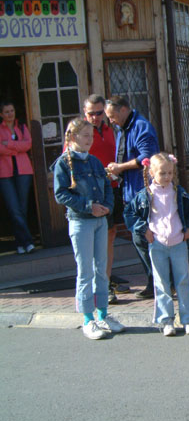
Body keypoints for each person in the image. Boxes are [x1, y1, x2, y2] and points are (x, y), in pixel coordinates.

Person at [53, 118, 125, 340]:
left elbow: (106, 186)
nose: (89, 140)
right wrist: (88, 207)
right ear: (73, 137)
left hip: (99, 221)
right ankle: (88, 319)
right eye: (85, 136)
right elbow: (61, 194)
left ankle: (103, 314)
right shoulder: (63, 163)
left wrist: (106, 209)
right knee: (85, 271)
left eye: (91, 136)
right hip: (80, 221)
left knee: (101, 268)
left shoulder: (94, 161)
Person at [124, 152, 189, 336]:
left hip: (178, 242)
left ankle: (188, 319)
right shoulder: (144, 195)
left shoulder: (179, 193)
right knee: (161, 283)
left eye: (170, 173)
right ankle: (166, 320)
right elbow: (130, 214)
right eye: (162, 173)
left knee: (183, 281)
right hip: (157, 243)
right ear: (151, 173)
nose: (167, 177)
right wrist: (144, 230)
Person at [105, 96, 160, 299]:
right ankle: (154, 281)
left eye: (112, 116)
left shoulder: (140, 126)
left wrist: (121, 167)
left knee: (143, 237)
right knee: (139, 238)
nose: (111, 121)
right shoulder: (123, 128)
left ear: (123, 110)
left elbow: (147, 158)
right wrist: (117, 171)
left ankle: (158, 282)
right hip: (130, 191)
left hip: (142, 192)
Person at [82, 94, 129, 304]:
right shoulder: (80, 132)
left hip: (111, 188)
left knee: (110, 235)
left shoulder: (113, 128)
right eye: (90, 113)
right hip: (91, 193)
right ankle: (97, 285)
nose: (95, 117)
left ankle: (106, 281)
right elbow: (71, 162)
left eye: (99, 113)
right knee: (95, 239)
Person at [0, 101, 36, 254]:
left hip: (23, 171)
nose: (10, 114)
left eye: (12, 111)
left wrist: (9, 144)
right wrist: (16, 147)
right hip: (5, 173)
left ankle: (20, 243)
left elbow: (28, 144)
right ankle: (27, 241)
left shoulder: (21, 126)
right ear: (1, 114)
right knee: (14, 209)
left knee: (22, 208)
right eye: (6, 111)